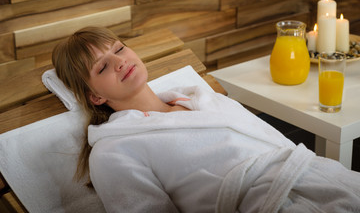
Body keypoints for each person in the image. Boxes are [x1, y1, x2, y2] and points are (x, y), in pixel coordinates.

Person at [52, 26, 360, 213]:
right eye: (102, 67)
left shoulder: (200, 96)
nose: (120, 62)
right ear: (95, 97)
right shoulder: (112, 152)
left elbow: (271, 140)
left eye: (119, 48)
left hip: (320, 177)